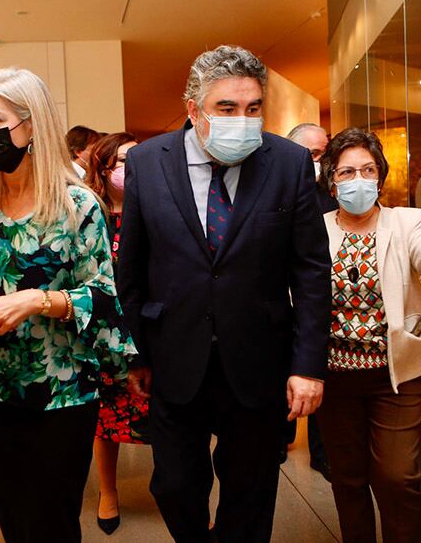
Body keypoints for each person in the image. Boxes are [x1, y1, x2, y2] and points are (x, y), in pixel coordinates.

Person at [118, 45, 331, 542]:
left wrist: (307, 365)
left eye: (253, 108)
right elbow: (131, 267)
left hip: (258, 362)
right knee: (173, 485)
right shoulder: (149, 162)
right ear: (193, 110)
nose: (243, 119)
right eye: (227, 108)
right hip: (174, 357)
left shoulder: (288, 162)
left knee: (251, 491)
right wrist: (134, 354)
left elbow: (310, 271)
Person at [0, 67, 135, 543]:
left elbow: (102, 297)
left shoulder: (77, 206)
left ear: (32, 124)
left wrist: (36, 301)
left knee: (52, 522)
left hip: (63, 392)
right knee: (12, 516)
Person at [317, 127, 421, 543]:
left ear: (380, 175)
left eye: (367, 169)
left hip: (397, 374)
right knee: (348, 477)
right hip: (334, 375)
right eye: (346, 172)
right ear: (330, 181)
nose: (358, 180)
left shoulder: (406, 221)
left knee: (397, 477)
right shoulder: (313, 230)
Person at [84, 132, 148, 535]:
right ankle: (108, 492)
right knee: (105, 420)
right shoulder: (91, 216)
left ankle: (178, 495)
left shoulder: (152, 211)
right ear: (103, 166)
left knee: (163, 415)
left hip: (149, 332)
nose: (128, 169)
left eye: (135, 160)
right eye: (122, 160)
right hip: (104, 336)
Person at [285, 122, 332, 480]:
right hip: (278, 310)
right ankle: (281, 438)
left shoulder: (331, 196)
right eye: (313, 155)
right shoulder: (277, 192)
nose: (319, 162)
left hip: (316, 305)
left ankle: (321, 454)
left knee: (313, 374)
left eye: (323, 154)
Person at [287, 123, 336, 214]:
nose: (321, 160)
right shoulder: (280, 189)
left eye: (325, 154)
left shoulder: (332, 190)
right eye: (313, 153)